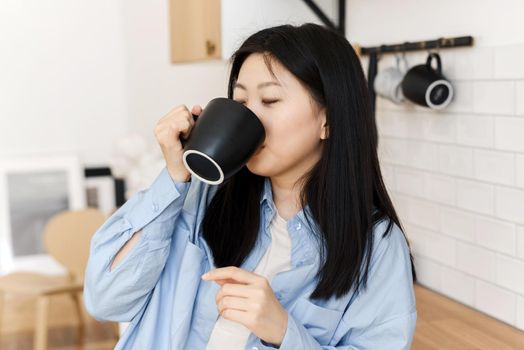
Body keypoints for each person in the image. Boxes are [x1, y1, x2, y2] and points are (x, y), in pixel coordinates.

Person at [83, 22, 417, 349]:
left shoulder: (375, 246)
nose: (250, 118)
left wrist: (284, 332)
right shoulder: (201, 197)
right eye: (241, 103)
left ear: (327, 120)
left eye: (270, 100)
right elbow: (105, 299)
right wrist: (173, 177)